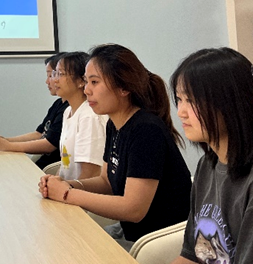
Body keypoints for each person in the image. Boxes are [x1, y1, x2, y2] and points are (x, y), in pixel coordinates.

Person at [38, 44, 191, 245]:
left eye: (94, 82)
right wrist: (67, 184)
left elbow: (133, 209)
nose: (87, 90)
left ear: (124, 88)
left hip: (153, 243)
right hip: (130, 233)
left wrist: (67, 194)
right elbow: (106, 181)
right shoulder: (114, 124)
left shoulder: (146, 130)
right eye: (86, 81)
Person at [170, 48, 253, 264]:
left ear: (230, 102)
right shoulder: (207, 165)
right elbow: (190, 255)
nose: (181, 112)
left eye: (191, 100)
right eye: (179, 99)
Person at [0, 53, 69, 169]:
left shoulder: (68, 109)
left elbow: (49, 145)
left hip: (50, 169)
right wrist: (7, 140)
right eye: (52, 75)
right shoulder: (58, 104)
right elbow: (39, 134)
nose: (49, 81)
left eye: (54, 75)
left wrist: (9, 146)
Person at [52, 52, 107, 180]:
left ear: (81, 81)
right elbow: (65, 163)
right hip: (68, 187)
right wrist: (54, 180)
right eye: (55, 73)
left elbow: (90, 174)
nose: (55, 80)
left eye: (61, 74)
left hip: (81, 190)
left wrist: (65, 189)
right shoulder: (68, 111)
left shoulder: (89, 116)